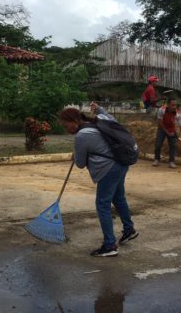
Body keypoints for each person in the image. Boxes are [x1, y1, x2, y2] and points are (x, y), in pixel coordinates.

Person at [59, 102, 138, 257]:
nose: (66, 128)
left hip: (108, 170)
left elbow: (81, 164)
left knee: (102, 204)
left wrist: (76, 156)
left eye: (66, 124)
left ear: (75, 121)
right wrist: (99, 108)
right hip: (121, 163)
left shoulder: (82, 136)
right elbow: (109, 116)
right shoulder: (100, 119)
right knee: (118, 197)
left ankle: (109, 245)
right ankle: (129, 230)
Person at [152, 98, 181, 169]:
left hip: (171, 129)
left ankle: (171, 162)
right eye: (172, 105)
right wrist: (167, 132)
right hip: (162, 128)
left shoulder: (178, 113)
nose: (174, 106)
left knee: (173, 146)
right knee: (158, 144)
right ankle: (157, 159)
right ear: (168, 105)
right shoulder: (161, 110)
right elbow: (160, 122)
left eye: (175, 105)